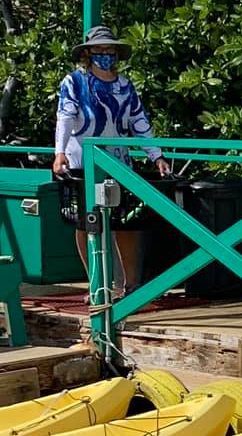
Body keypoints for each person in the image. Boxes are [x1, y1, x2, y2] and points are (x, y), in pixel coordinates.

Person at [52, 24, 172, 296]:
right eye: (99, 49)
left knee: (126, 222)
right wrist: (59, 153)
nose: (105, 54)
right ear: (88, 53)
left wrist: (157, 156)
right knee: (87, 222)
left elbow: (139, 121)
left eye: (110, 50)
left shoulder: (124, 85)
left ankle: (131, 287)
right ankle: (98, 286)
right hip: (83, 164)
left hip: (119, 165)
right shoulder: (75, 82)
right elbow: (66, 117)